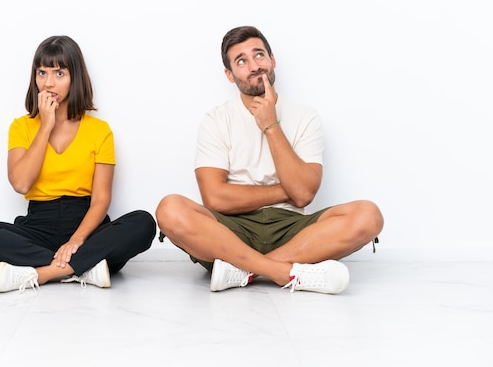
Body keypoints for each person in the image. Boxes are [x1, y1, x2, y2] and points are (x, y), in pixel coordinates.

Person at [156, 26, 383, 294]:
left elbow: (304, 197)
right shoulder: (216, 119)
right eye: (241, 61)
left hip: (293, 230)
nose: (254, 66)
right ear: (229, 75)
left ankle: (243, 271)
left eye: (259, 55)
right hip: (231, 231)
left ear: (272, 60)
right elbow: (215, 198)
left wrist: (271, 125)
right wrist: (285, 190)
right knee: (170, 209)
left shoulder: (305, 117)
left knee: (368, 215)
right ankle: (283, 272)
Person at [0, 35, 156, 293]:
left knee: (143, 222)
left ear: (75, 78)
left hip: (86, 228)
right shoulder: (22, 127)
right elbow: (20, 183)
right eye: (42, 73)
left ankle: (42, 273)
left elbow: (101, 200)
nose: (48, 82)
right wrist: (46, 125)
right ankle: (85, 267)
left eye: (59, 73)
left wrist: (76, 241)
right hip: (38, 227)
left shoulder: (99, 130)